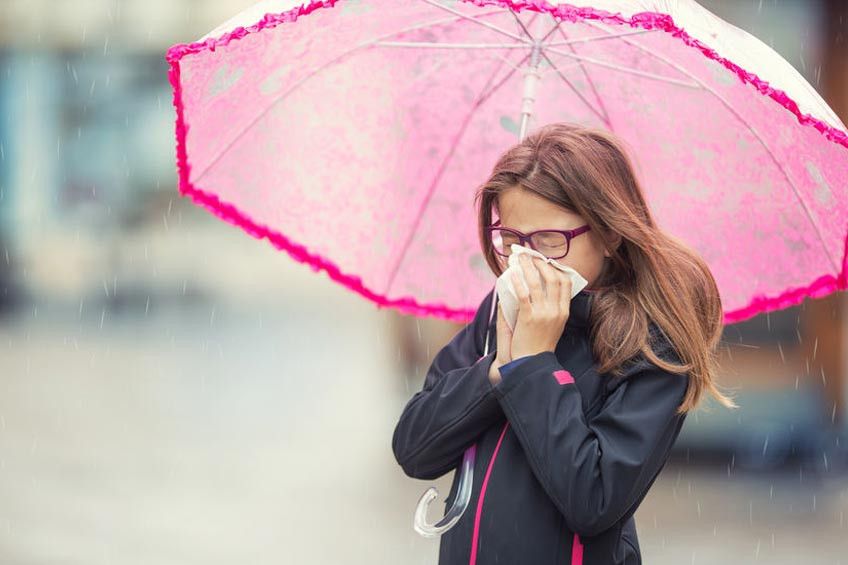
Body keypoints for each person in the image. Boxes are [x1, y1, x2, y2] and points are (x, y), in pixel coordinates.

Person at [391, 122, 738, 565]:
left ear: (610, 233)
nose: (528, 259)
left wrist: (534, 364)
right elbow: (414, 449)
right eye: (512, 240)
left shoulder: (653, 344)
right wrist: (495, 371)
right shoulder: (502, 308)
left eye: (550, 242)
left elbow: (592, 501)